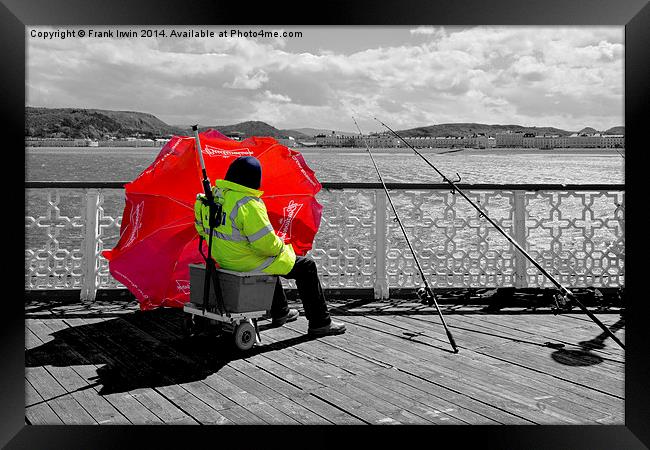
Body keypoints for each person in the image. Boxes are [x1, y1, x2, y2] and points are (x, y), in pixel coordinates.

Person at [194, 156, 346, 336]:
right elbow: (266, 246)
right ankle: (320, 323)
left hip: (223, 258)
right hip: (247, 262)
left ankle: (280, 311)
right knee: (305, 266)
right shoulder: (247, 203)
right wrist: (282, 245)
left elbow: (202, 230)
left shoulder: (208, 198)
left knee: (273, 261)